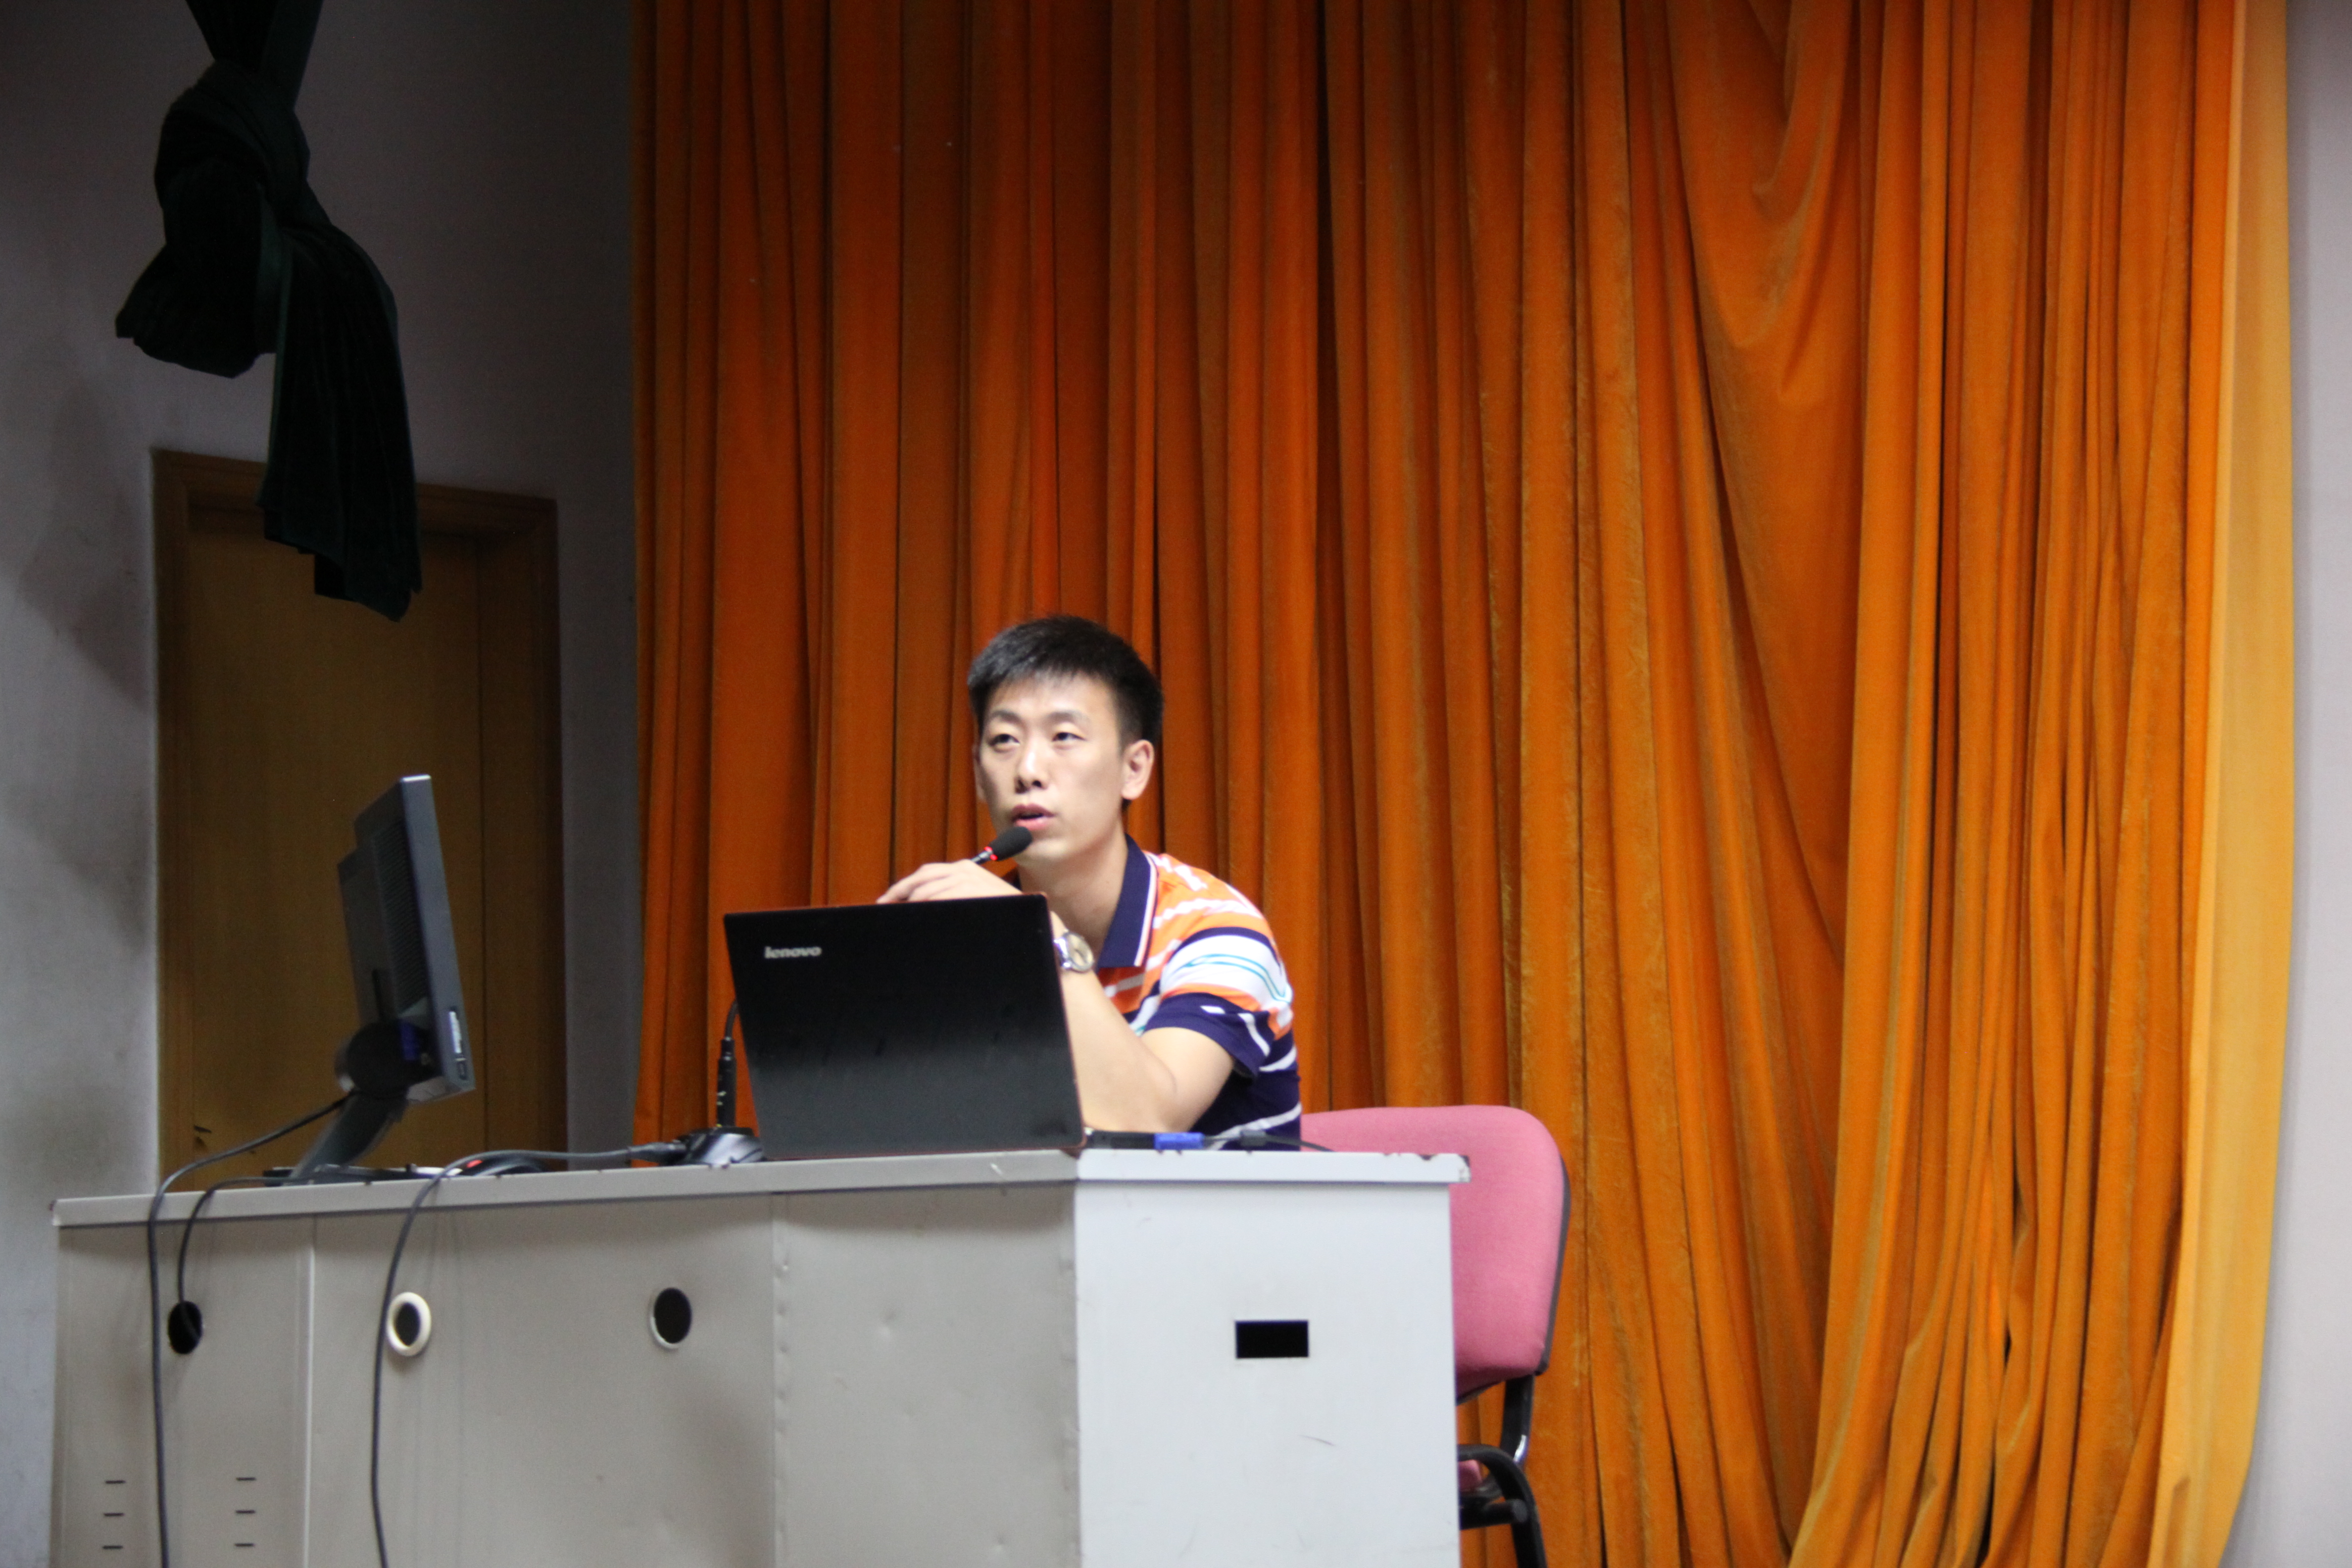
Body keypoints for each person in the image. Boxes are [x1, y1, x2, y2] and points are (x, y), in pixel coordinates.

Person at [880, 615, 1302, 1139]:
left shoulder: (1217, 932)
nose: (1029, 770)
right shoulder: (966, 935)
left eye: (1064, 737)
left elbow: (1146, 1122)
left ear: (1134, 769)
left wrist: (1041, 939)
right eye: (1005, 740)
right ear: (978, 775)